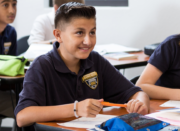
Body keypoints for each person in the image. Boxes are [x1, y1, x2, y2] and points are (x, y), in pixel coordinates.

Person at [15, 2, 149, 128]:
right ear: (58, 35)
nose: (88, 41)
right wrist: (76, 109)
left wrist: (139, 104)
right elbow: (22, 116)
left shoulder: (95, 60)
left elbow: (137, 92)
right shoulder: (41, 66)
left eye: (92, 32)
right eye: (79, 33)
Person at [0, 0, 17, 118]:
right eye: (5, 5)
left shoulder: (11, 32)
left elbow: (12, 65)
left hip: (4, 89)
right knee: (26, 109)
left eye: (14, 5)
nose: (12, 10)